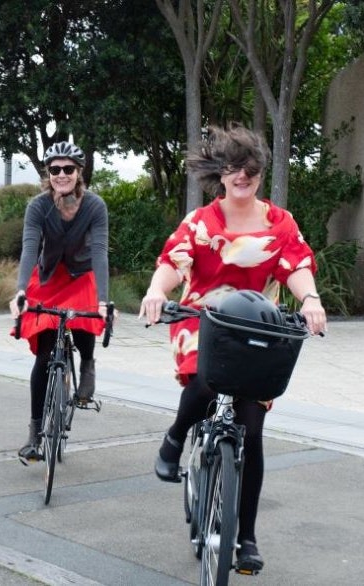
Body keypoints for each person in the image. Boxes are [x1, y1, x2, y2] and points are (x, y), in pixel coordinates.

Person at [139, 124, 327, 572]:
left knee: (254, 431)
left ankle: (245, 537)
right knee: (206, 378)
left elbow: (296, 264)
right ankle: (175, 437)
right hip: (203, 320)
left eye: (251, 168)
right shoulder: (201, 223)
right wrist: (154, 291)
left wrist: (311, 299)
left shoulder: (280, 223)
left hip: (259, 328)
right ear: (220, 174)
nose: (242, 176)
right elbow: (173, 262)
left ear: (260, 173)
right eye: (233, 168)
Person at [9, 141, 110, 463]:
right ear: (48, 174)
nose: (62, 174)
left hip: (82, 276)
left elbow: (99, 251)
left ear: (79, 173)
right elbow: (29, 248)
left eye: (68, 169)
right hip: (49, 277)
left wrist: (105, 300)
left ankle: (88, 362)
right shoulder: (38, 206)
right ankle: (34, 434)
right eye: (55, 169)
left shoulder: (94, 206)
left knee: (84, 320)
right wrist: (21, 290)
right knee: (43, 355)